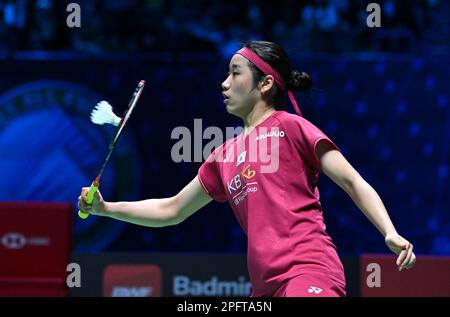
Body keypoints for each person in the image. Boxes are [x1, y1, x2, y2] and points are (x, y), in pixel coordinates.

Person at [78, 40, 416, 297]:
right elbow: (172, 209)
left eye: (235, 73)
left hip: (308, 271)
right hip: (264, 289)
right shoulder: (224, 155)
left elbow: (353, 181)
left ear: (265, 84)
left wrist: (389, 231)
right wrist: (106, 209)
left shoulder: (292, 127)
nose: (224, 84)